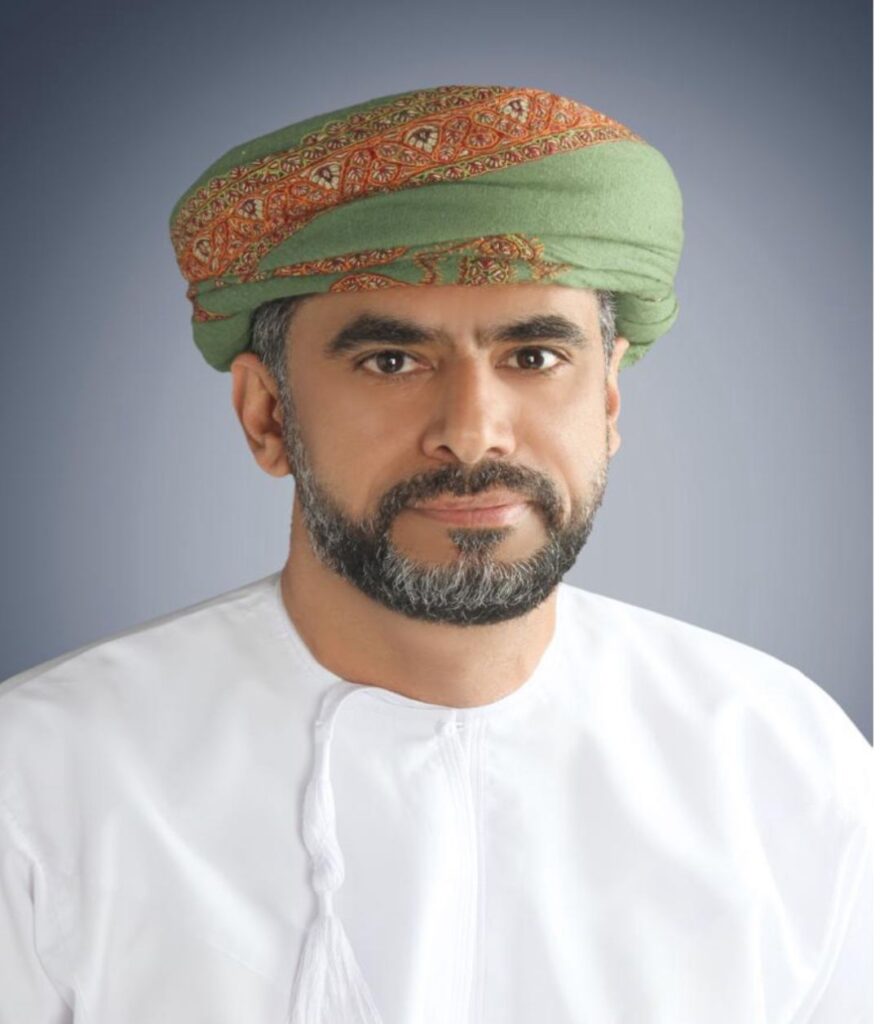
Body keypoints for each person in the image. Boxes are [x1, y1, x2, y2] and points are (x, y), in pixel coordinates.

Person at [0, 85, 871, 1023]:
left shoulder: (781, 760)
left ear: (609, 402)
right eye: (391, 361)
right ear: (268, 415)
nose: (472, 431)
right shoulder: (43, 780)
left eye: (534, 357)